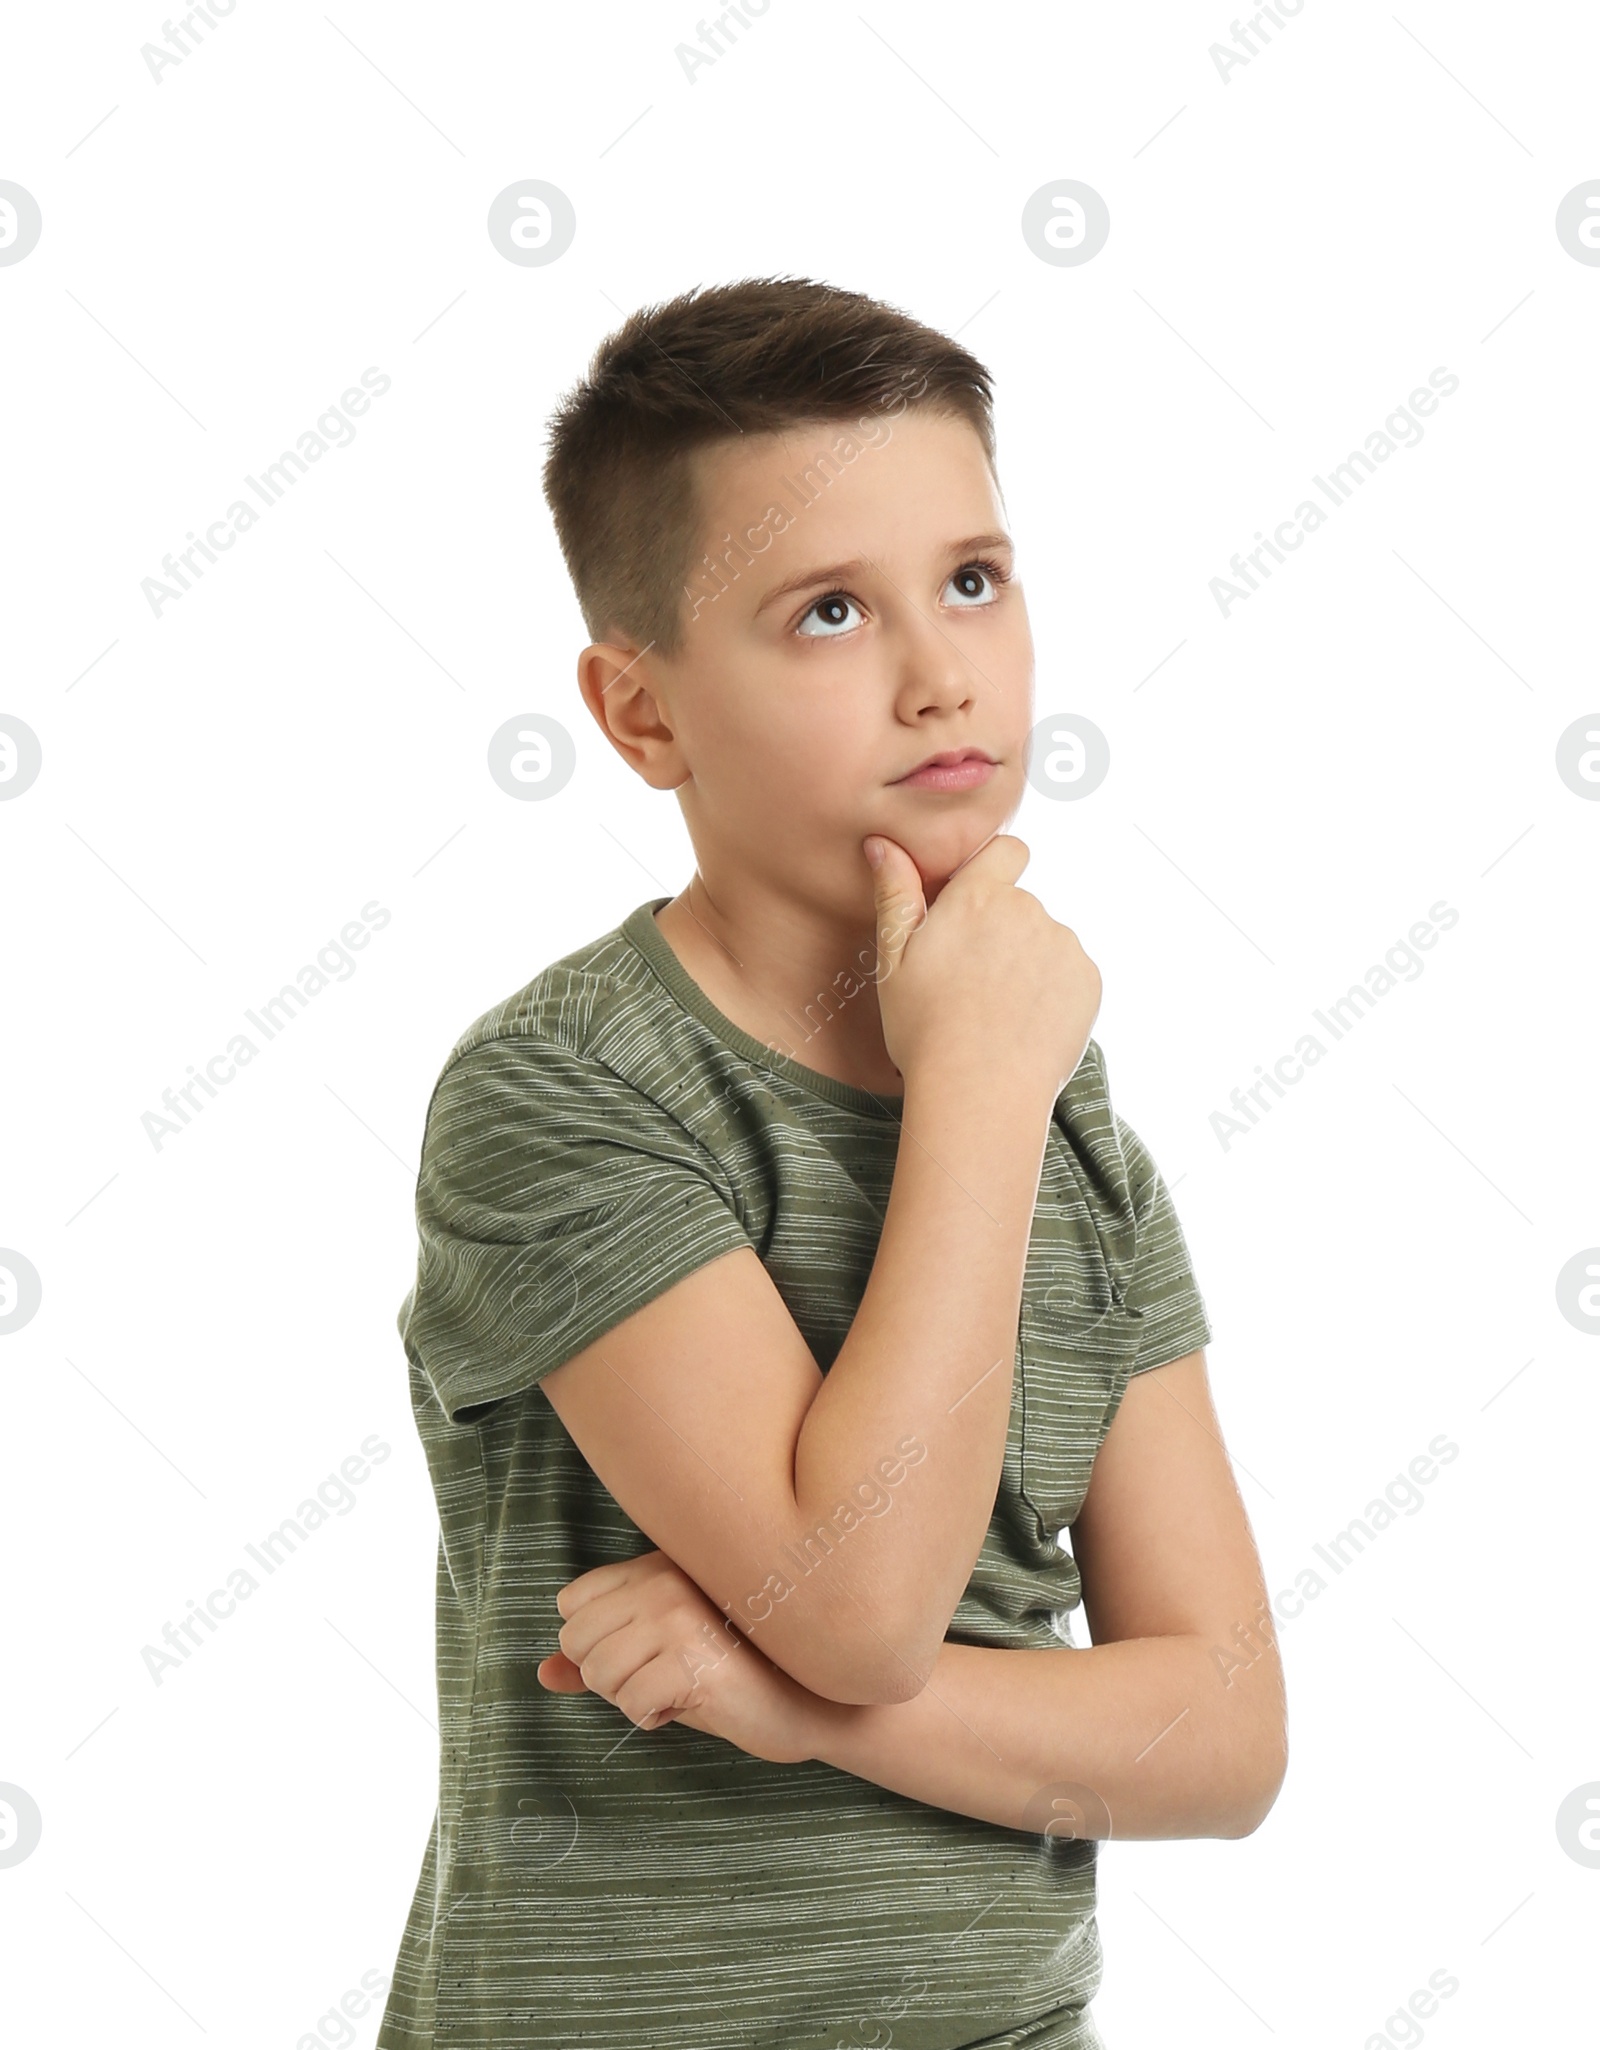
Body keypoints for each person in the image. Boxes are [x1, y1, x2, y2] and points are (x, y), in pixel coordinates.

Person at [375, 276, 1287, 2050]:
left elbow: (1224, 1734)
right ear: (642, 714)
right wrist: (971, 1092)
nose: (941, 671)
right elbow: (856, 1600)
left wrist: (797, 1711)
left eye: (973, 578)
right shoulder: (560, 1093)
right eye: (826, 613)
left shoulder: (1055, 1115)